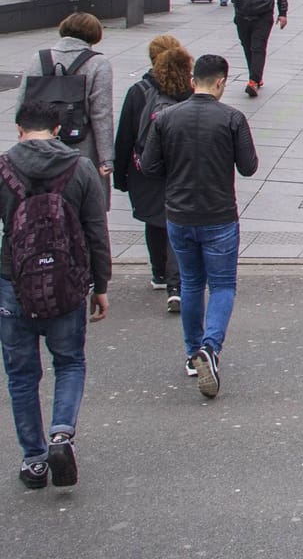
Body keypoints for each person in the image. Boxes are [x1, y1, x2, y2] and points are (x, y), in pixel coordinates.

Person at [0, 101, 111, 491]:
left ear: (18, 130)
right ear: (59, 129)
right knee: (69, 363)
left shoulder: (3, 167)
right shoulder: (79, 167)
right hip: (67, 283)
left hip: (14, 285)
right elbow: (96, 230)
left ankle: (33, 461)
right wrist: (101, 285)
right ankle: (61, 434)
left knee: (21, 375)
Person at [138, 54, 257, 399]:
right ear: (220, 82)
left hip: (179, 214)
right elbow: (248, 167)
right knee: (222, 286)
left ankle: (193, 353)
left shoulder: (167, 118)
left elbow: (149, 166)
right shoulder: (232, 118)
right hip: (219, 214)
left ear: (193, 81)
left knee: (191, 283)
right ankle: (210, 347)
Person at [112, 36, 193, 313]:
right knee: (176, 219)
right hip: (180, 167)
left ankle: (159, 273)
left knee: (155, 219)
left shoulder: (139, 91)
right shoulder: (189, 90)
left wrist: (120, 176)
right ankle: (176, 285)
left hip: (144, 168)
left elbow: (125, 136)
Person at [19, 13, 114, 176]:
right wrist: (106, 159)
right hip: (81, 147)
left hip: (40, 146)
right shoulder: (98, 63)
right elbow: (101, 113)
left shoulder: (38, 59)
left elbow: (22, 102)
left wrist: (24, 138)